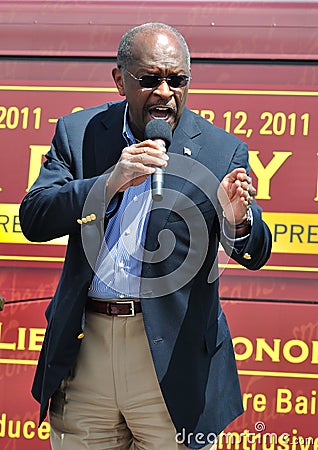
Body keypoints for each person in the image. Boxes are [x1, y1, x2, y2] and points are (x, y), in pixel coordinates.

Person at [19, 22, 271, 450]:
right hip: (87, 352)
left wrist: (237, 221)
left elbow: (255, 251)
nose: (165, 93)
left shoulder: (219, 149)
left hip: (172, 363)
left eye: (177, 80)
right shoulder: (79, 134)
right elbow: (35, 218)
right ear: (120, 80)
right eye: (150, 80)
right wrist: (108, 182)